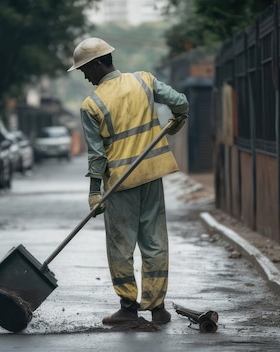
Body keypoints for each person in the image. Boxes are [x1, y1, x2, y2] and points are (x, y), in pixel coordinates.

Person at [67, 37, 189, 325]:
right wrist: (179, 119)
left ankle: (128, 307)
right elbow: (180, 102)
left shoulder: (92, 105)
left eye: (85, 69)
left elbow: (97, 156)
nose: (85, 76)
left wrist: (95, 192)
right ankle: (157, 308)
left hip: (120, 184)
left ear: (98, 64)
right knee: (154, 241)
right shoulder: (143, 80)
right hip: (151, 175)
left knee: (121, 246)